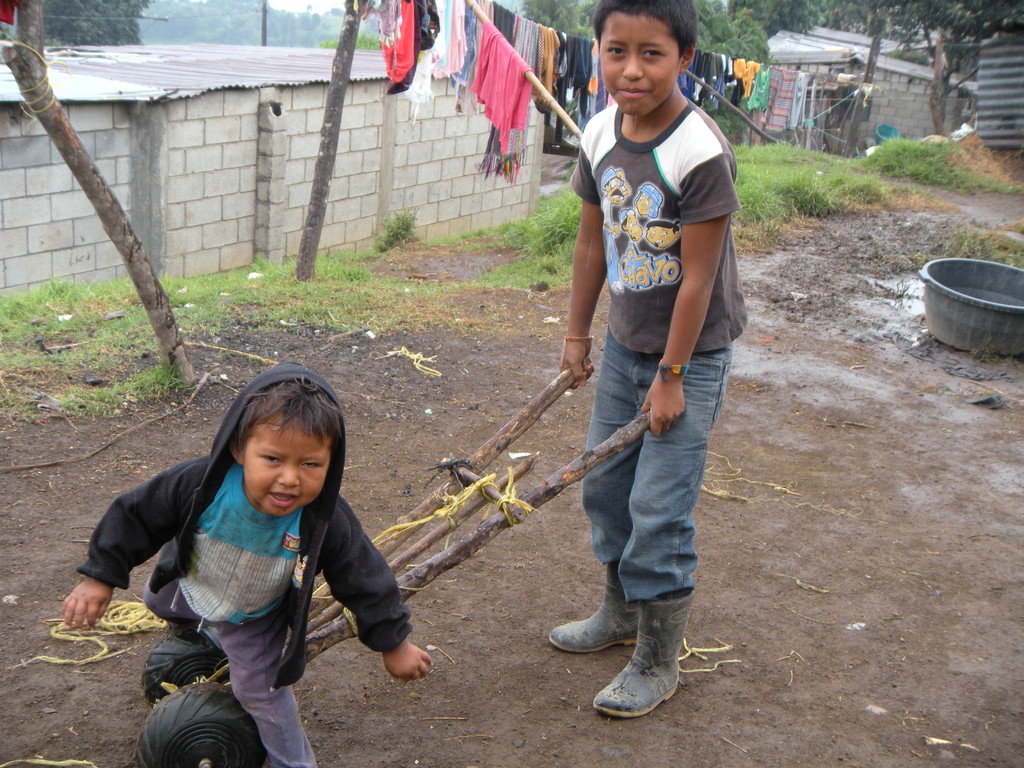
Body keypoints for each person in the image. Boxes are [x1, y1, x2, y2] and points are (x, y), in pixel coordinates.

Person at [62, 363, 432, 768]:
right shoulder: (201, 484)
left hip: (254, 614)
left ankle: (292, 762)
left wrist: (394, 644)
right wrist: (100, 576)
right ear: (239, 448)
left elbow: (365, 577)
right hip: (189, 581)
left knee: (260, 690)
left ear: (332, 462)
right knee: (155, 599)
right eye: (272, 458)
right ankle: (202, 638)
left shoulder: (324, 520)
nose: (290, 478)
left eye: (310, 464)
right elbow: (135, 514)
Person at [550, 0, 746, 718]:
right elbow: (590, 242)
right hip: (626, 344)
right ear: (596, 51)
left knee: (658, 507)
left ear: (685, 58)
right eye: (616, 50)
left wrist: (671, 379)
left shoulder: (700, 151)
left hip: (688, 358)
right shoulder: (599, 131)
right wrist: (576, 334)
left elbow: (697, 278)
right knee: (604, 491)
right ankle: (621, 612)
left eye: (652, 54)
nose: (631, 70)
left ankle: (658, 662)